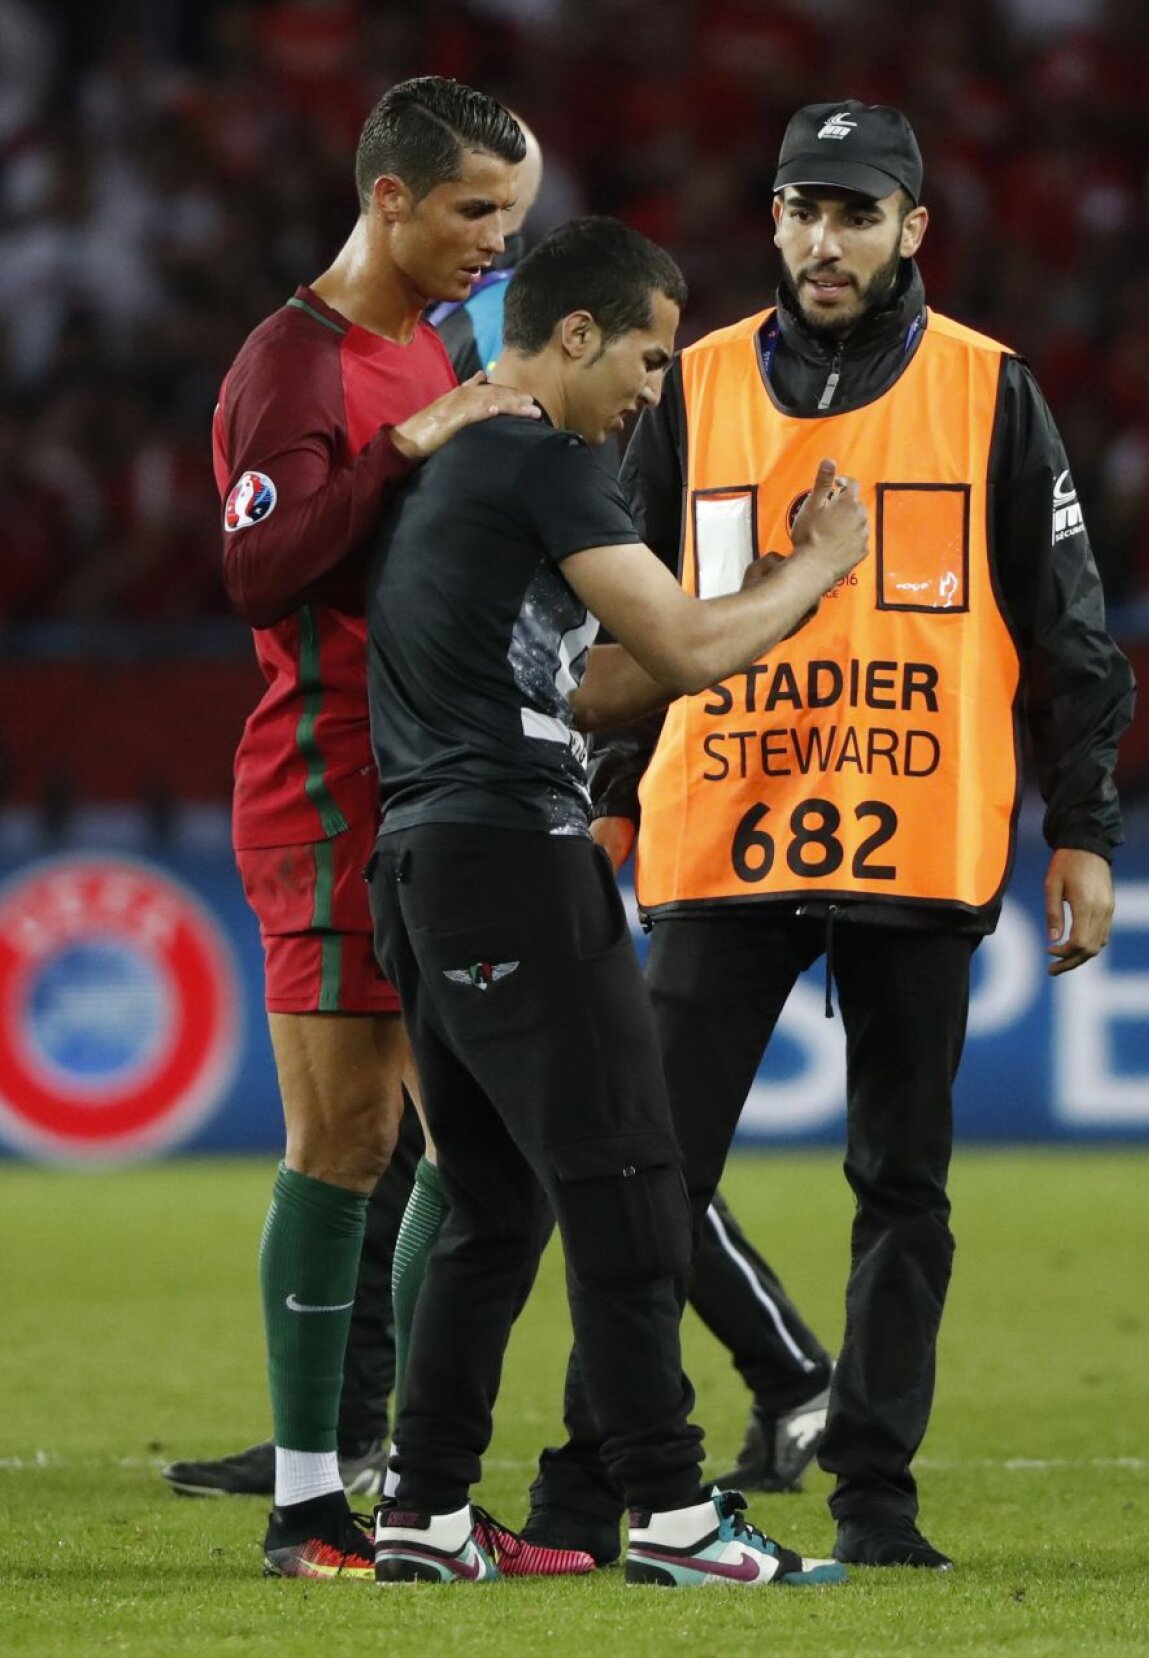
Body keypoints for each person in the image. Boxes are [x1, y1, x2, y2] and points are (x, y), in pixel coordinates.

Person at [569, 100, 1136, 1571]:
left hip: (916, 839)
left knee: (903, 1187)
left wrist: (1086, 830)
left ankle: (874, 1497)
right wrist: (608, 797)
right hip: (720, 827)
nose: (826, 241)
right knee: (649, 1182)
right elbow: (616, 617)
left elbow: (1071, 633)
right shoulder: (690, 387)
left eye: (857, 214)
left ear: (911, 228)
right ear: (772, 217)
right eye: (803, 210)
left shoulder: (989, 390)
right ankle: (589, 1485)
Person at [364, 214, 869, 1587]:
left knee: (491, 1209)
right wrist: (821, 564)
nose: (655, 388)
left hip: (424, 868)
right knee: (632, 1181)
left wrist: (762, 595)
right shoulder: (543, 462)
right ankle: (674, 1514)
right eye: (647, 357)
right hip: (516, 861)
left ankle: (423, 1512)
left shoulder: (458, 471)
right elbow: (689, 647)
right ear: (575, 334)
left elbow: (590, 688)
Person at [213, 75, 544, 1582]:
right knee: (345, 1140)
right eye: (476, 209)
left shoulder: (428, 342)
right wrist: (420, 441)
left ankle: (422, 1493)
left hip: (431, 775)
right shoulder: (294, 362)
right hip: (328, 782)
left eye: (513, 215)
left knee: (452, 1142)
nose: (496, 241)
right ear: (389, 197)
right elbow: (260, 570)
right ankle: (306, 1509)